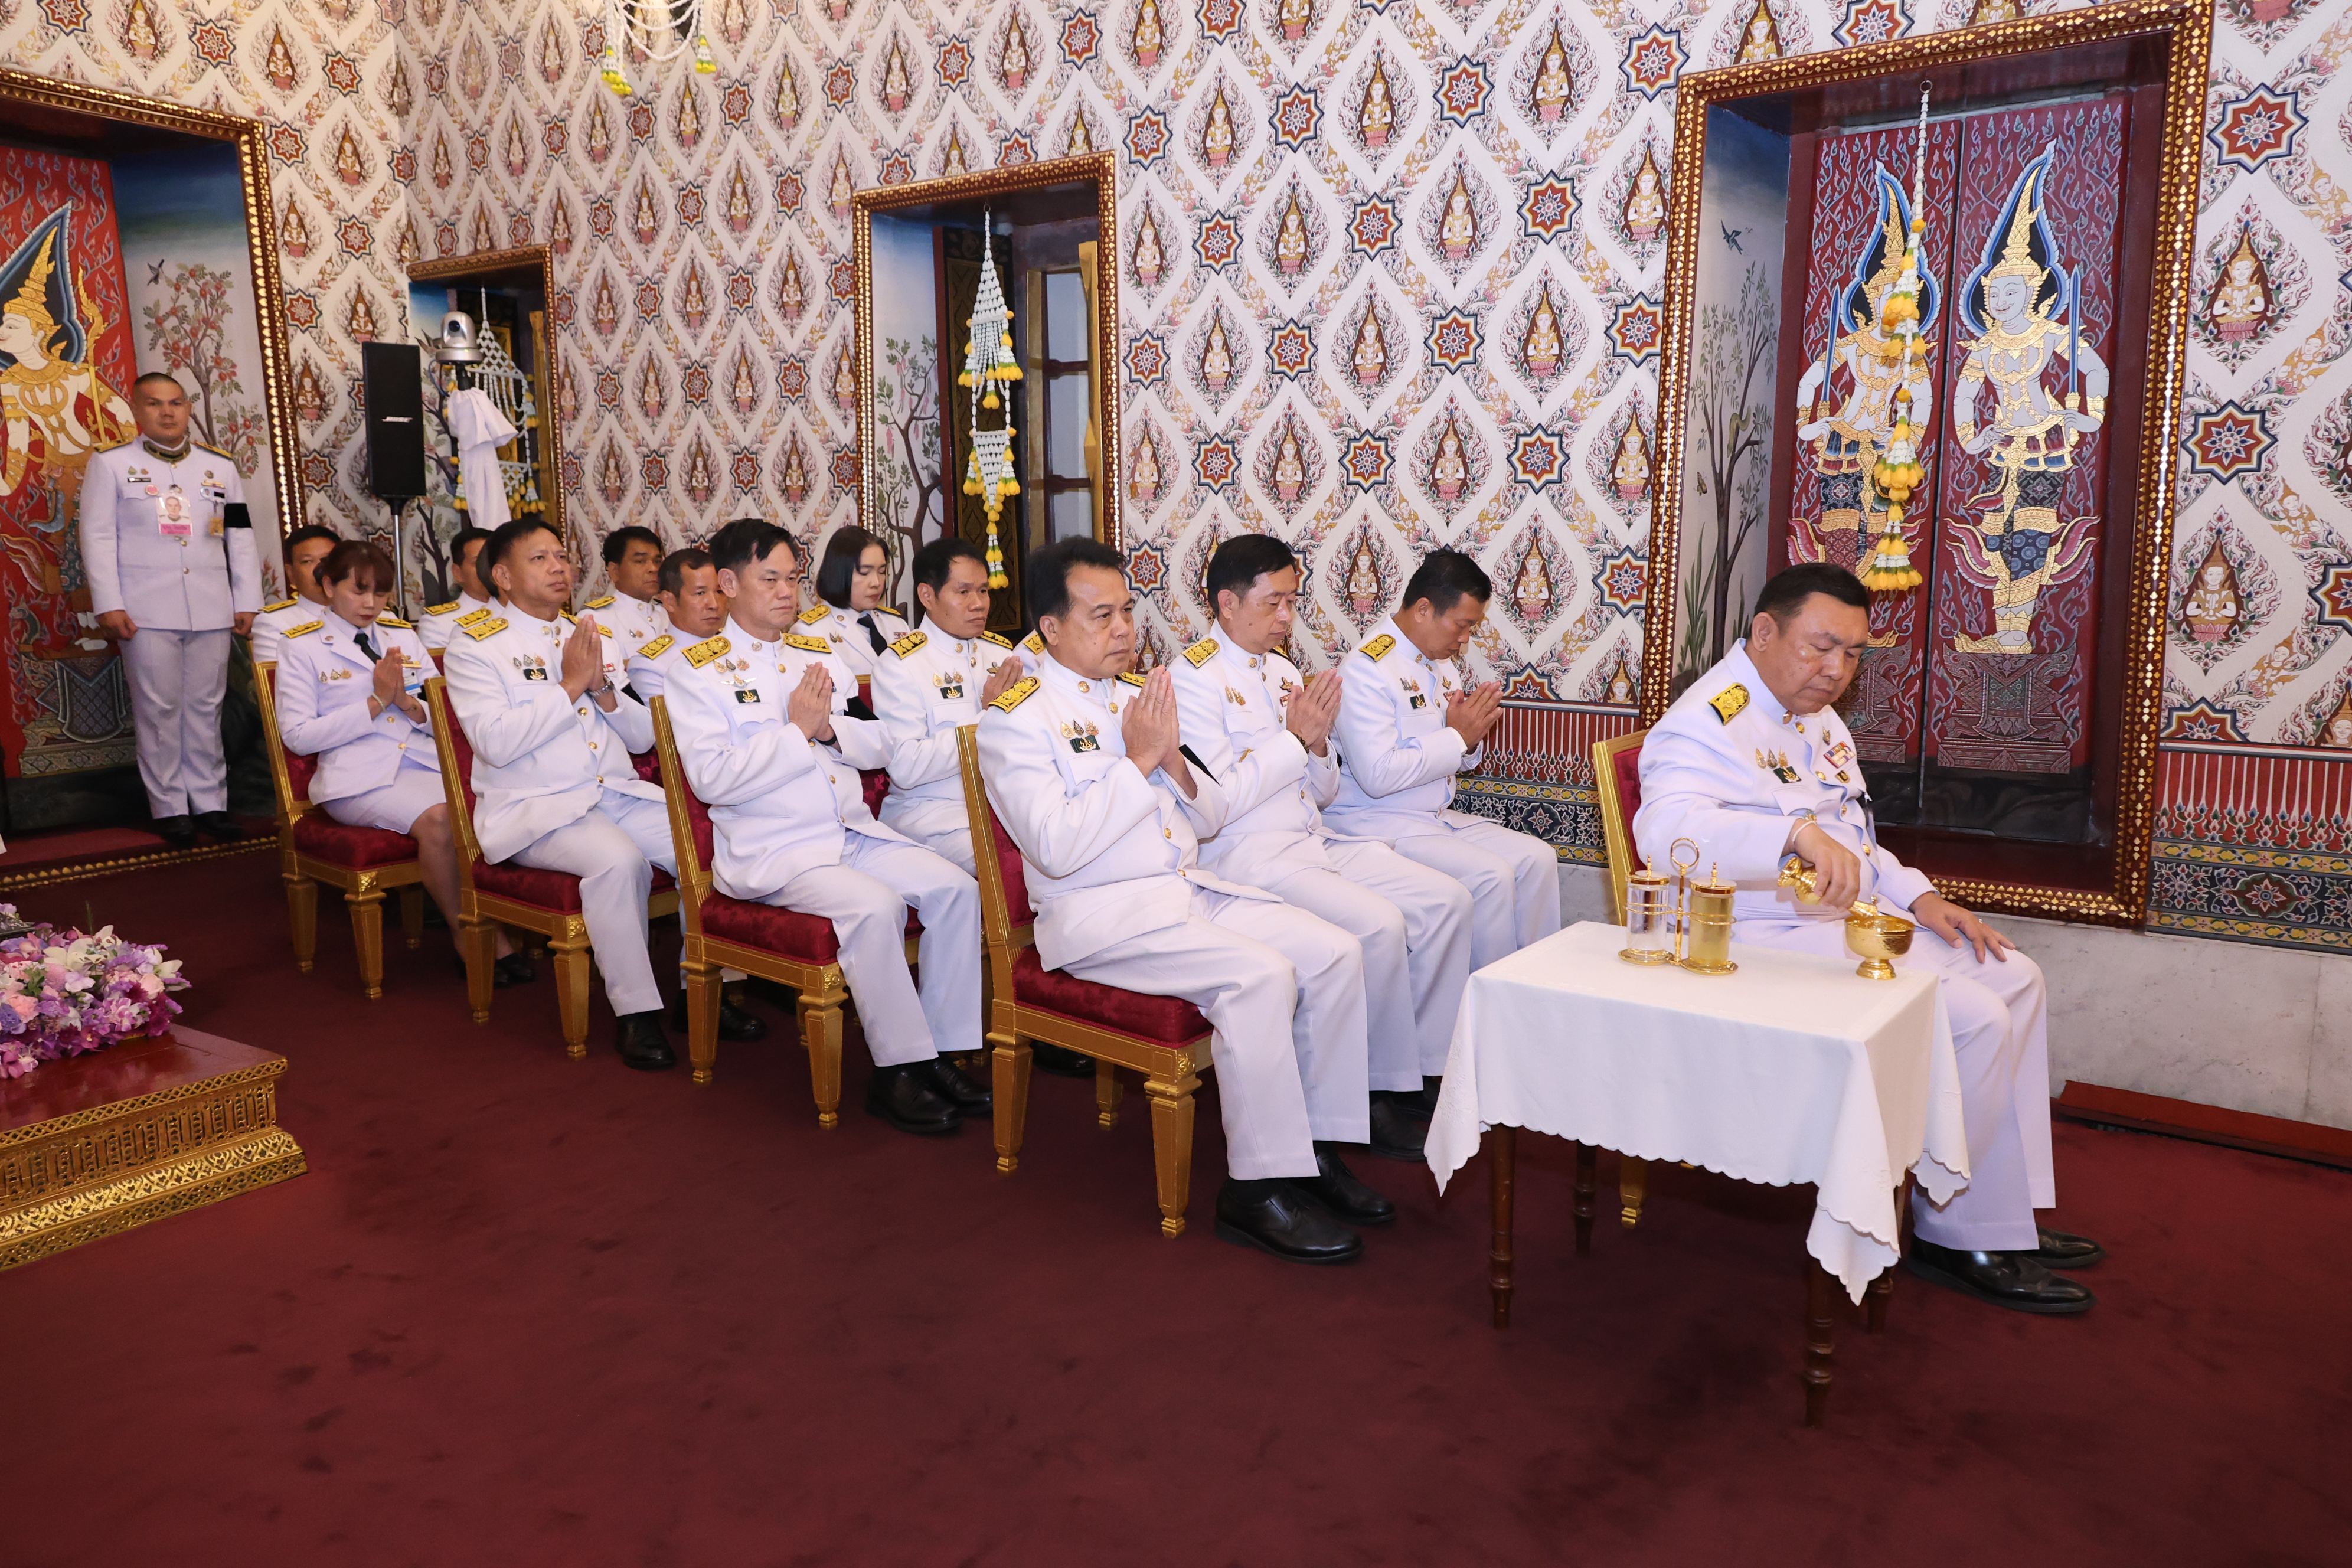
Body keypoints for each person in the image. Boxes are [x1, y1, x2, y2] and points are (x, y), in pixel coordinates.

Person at [1634, 561, 2101, 1315]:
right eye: (1822, 646)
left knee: (2013, 974)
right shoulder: (1706, 720)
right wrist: (1791, 834)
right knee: (1972, 1019)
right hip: (1752, 937)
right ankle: (1956, 1234)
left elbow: (1854, 839)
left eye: (1853, 653)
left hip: (1829, 922)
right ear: (1764, 632)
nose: (1837, 670)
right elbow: (1666, 833)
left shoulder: (1814, 715)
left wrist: (1922, 895)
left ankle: (2001, 1213)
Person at [977, 537, 1389, 1265]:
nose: (1124, 630)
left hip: (1183, 890)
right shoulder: (1016, 717)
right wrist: (1139, 761)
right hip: (1101, 916)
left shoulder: (1140, 696)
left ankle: (1313, 1153)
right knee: (1258, 976)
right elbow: (1056, 844)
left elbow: (1208, 818)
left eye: (1127, 611)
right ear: (1049, 627)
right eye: (1101, 616)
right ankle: (1256, 1192)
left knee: (1333, 951)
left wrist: (1170, 761)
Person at [665, 522, 987, 1136]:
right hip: (776, 850)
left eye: (792, 578)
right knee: (875, 907)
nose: (787, 592)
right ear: (729, 583)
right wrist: (793, 731)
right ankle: (897, 1071)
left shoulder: (816, 654)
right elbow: (711, 780)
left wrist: (828, 729)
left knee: (956, 890)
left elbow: (878, 743)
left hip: (846, 831)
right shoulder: (696, 672)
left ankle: (942, 1054)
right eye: (771, 580)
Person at [1172, 535, 1474, 1152]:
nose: (1288, 616)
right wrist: (1294, 741)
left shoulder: (1283, 670)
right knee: (1379, 925)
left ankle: (1404, 1075)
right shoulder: (1193, 679)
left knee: (1444, 899)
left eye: (1293, 601)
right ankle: (1363, 1104)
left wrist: (1314, 746)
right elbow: (1217, 805)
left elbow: (1327, 790)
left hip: (1313, 835)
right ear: (1228, 603)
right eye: (1275, 602)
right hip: (1245, 852)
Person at [441, 518, 681, 1070]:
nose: (559, 568)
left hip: (613, 793)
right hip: (536, 809)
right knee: (618, 864)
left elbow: (644, 738)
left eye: (562, 556)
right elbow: (496, 743)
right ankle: (637, 1016)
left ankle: (707, 991)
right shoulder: (476, 645)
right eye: (541, 559)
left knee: (705, 846)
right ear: (502, 575)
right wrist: (571, 684)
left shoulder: (589, 633)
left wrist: (601, 689)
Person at [269, 539, 524, 982]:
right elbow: (298, 737)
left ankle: (512, 919)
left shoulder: (401, 636)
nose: (371, 604)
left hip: (425, 762)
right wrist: (374, 702)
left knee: (499, 801)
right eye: (359, 591)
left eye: (381, 593)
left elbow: (445, 711)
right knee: (443, 819)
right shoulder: (301, 647)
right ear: (328, 586)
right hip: (357, 779)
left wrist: (408, 704)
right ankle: (469, 933)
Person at [1327, 549, 1562, 972]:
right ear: (1423, 610)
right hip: (1377, 823)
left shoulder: (1441, 665)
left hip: (1431, 818)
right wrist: (1458, 736)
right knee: (1491, 876)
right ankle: (1485, 1009)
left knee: (1536, 858)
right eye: (1462, 625)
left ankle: (1531, 990)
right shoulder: (1366, 669)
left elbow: (1459, 759)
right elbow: (1378, 776)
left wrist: (1469, 741)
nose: (1465, 640)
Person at [79, 371, 261, 849]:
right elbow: (97, 538)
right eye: (155, 404)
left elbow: (239, 535)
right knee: (159, 710)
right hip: (146, 610)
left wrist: (246, 600)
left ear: (188, 408)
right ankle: (170, 808)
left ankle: (211, 803)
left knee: (206, 707)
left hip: (210, 606)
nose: (167, 412)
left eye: (176, 403)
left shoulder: (218, 469)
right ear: (137, 412)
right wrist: (109, 603)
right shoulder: (113, 465)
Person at [873, 535, 1024, 876]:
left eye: (984, 591)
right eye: (964, 592)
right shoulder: (900, 665)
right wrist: (985, 718)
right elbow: (906, 768)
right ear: (928, 595)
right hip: (930, 814)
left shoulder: (1002, 655)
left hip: (1003, 807)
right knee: (1012, 865)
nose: (979, 603)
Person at [801, 524, 911, 678]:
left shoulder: (896, 624)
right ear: (839, 573)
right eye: (864, 573)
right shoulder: (811, 632)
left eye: (882, 571)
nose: (877, 582)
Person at [623, 545, 725, 705]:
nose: (714, 604)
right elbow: (667, 728)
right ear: (669, 601)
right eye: (700, 593)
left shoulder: (737, 647)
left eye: (719, 592)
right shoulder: (652, 666)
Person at [249, 523, 343, 667]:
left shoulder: (374, 614)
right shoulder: (274, 623)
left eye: (328, 559)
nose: (321, 568)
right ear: (291, 574)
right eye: (308, 561)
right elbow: (276, 685)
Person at [584, 525, 669, 661]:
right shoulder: (596, 620)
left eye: (658, 561)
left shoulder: (670, 614)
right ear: (615, 571)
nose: (653, 569)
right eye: (640, 561)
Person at [419, 525, 496, 652]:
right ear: (458, 572)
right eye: (479, 563)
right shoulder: (438, 624)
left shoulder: (524, 612)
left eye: (494, 561)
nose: (490, 570)